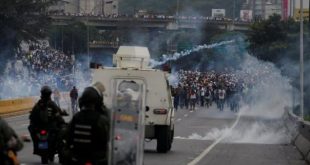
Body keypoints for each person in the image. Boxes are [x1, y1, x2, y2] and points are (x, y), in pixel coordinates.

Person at [63, 82, 110, 165]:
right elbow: (107, 138)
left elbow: (68, 135)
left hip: (78, 157)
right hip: (96, 158)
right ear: (97, 101)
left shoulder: (76, 117)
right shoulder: (101, 119)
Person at [28, 85, 66, 163]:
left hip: (39, 129)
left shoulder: (38, 104)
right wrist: (62, 120)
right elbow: (58, 114)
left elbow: (31, 117)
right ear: (49, 94)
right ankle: (61, 155)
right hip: (51, 128)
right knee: (62, 134)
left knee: (31, 129)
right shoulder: (52, 104)